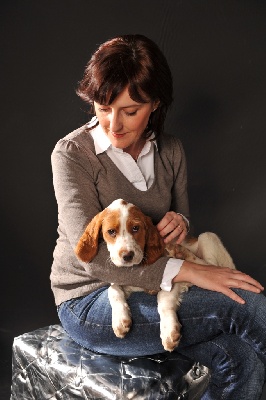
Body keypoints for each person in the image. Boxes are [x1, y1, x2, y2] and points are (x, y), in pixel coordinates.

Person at [51, 34, 266, 399]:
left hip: (156, 286)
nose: (113, 124)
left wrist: (180, 223)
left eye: (130, 111)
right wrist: (192, 271)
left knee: (241, 357)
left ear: (155, 105)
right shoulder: (72, 154)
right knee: (248, 307)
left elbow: (180, 229)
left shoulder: (170, 151)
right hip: (93, 299)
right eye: (103, 108)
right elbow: (91, 260)